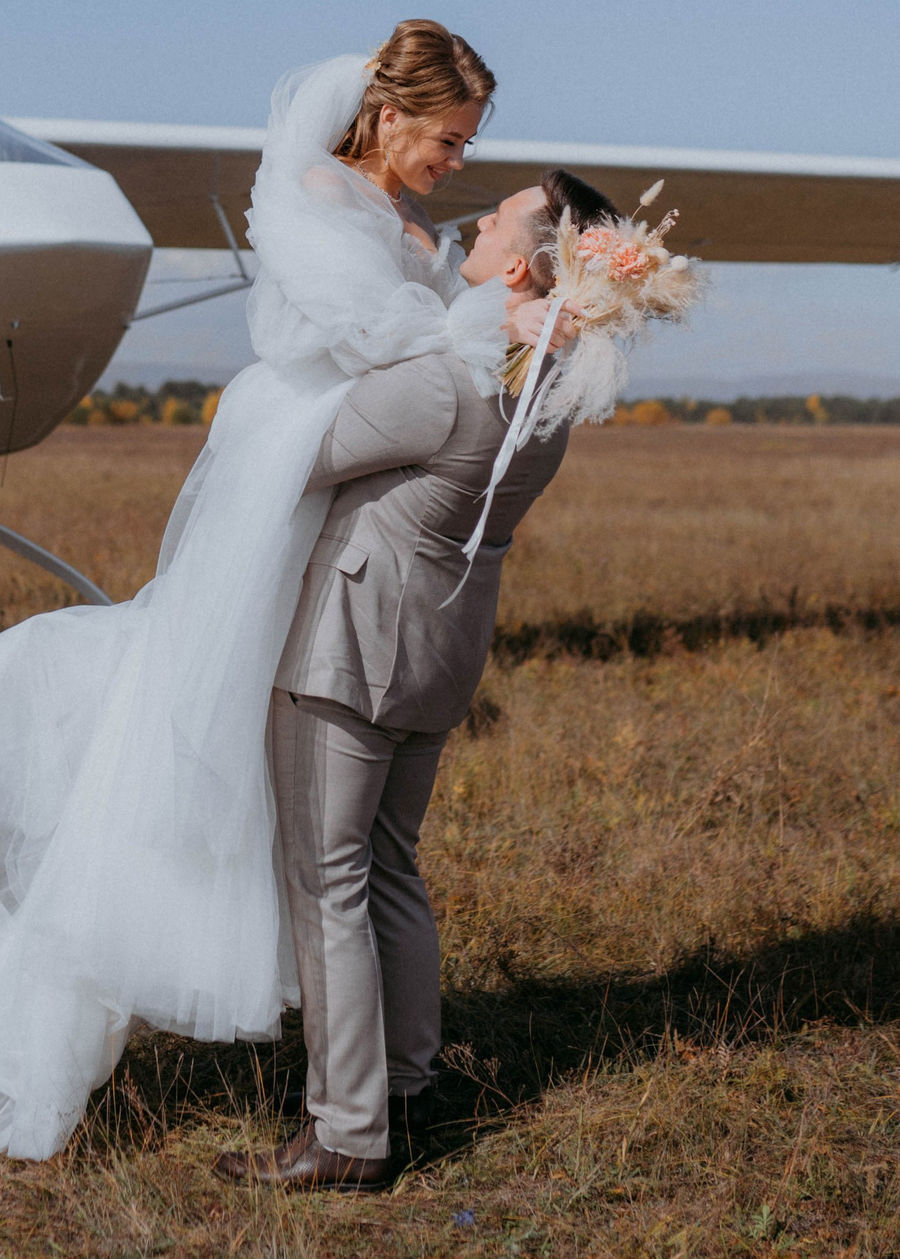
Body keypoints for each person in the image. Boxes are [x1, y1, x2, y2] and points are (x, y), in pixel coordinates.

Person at [0, 23, 499, 1160]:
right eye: (447, 139)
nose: (457, 162)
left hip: (356, 490)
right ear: (388, 116)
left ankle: (369, 1075)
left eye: (466, 144)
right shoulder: (316, 193)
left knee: (333, 808)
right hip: (292, 471)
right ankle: (142, 1004)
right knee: (209, 734)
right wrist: (483, 327)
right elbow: (372, 334)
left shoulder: (418, 231)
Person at [213, 167, 612, 1192]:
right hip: (440, 651)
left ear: (520, 268)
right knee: (388, 864)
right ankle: (408, 1081)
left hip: (351, 649)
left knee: (328, 881)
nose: (476, 221)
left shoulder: (447, 381)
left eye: (500, 218)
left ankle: (347, 1132)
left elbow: (289, 455)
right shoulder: (553, 389)